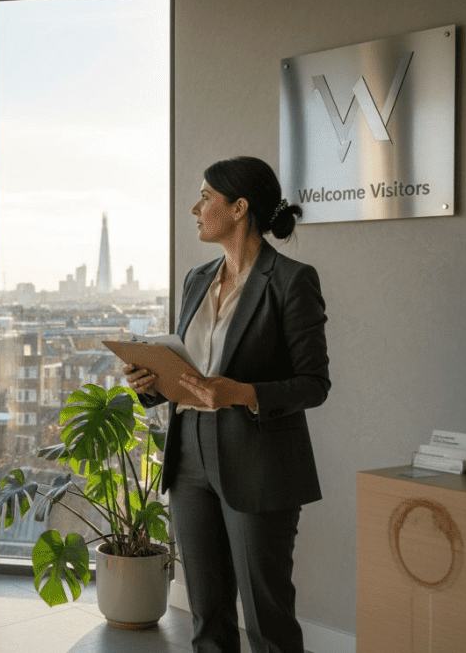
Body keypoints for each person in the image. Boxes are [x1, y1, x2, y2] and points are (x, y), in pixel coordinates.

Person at [125, 156, 329, 653]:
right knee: (207, 615)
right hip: (189, 456)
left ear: (239, 208)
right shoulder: (197, 279)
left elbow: (313, 384)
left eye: (206, 198)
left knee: (267, 617)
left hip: (259, 461)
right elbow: (189, 371)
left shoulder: (290, 280)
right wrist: (148, 382)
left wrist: (239, 393)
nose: (196, 208)